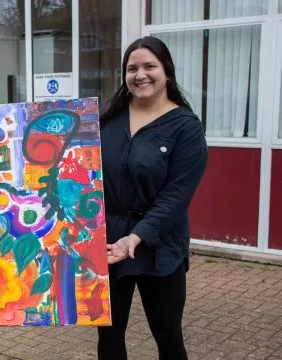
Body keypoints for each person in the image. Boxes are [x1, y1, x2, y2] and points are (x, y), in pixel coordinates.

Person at [97, 36, 208, 360]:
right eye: (132, 68)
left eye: (149, 66)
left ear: (166, 72)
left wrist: (138, 236)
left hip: (159, 244)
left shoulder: (185, 128)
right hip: (107, 244)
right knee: (109, 336)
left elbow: (176, 196)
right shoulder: (107, 118)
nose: (140, 74)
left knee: (168, 336)